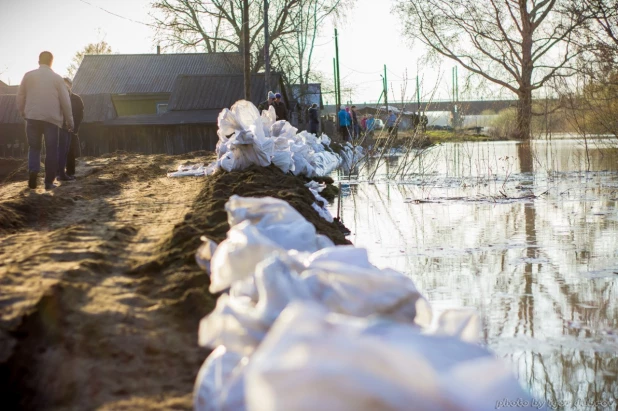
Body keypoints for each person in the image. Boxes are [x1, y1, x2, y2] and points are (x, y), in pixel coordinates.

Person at [17, 51, 74, 190]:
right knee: (51, 150)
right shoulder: (57, 78)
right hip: (51, 119)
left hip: (32, 117)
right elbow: (65, 101)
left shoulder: (28, 76)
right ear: (51, 62)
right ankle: (48, 182)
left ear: (38, 61)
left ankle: (33, 171)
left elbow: (20, 95)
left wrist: (23, 111)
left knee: (34, 147)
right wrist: (69, 121)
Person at [59, 78, 84, 178]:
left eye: (67, 84)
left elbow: (80, 114)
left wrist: (75, 128)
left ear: (71, 86)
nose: (65, 86)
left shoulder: (77, 99)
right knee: (60, 150)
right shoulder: (58, 98)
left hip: (71, 128)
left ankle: (70, 172)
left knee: (70, 150)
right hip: (60, 127)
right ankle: (59, 171)